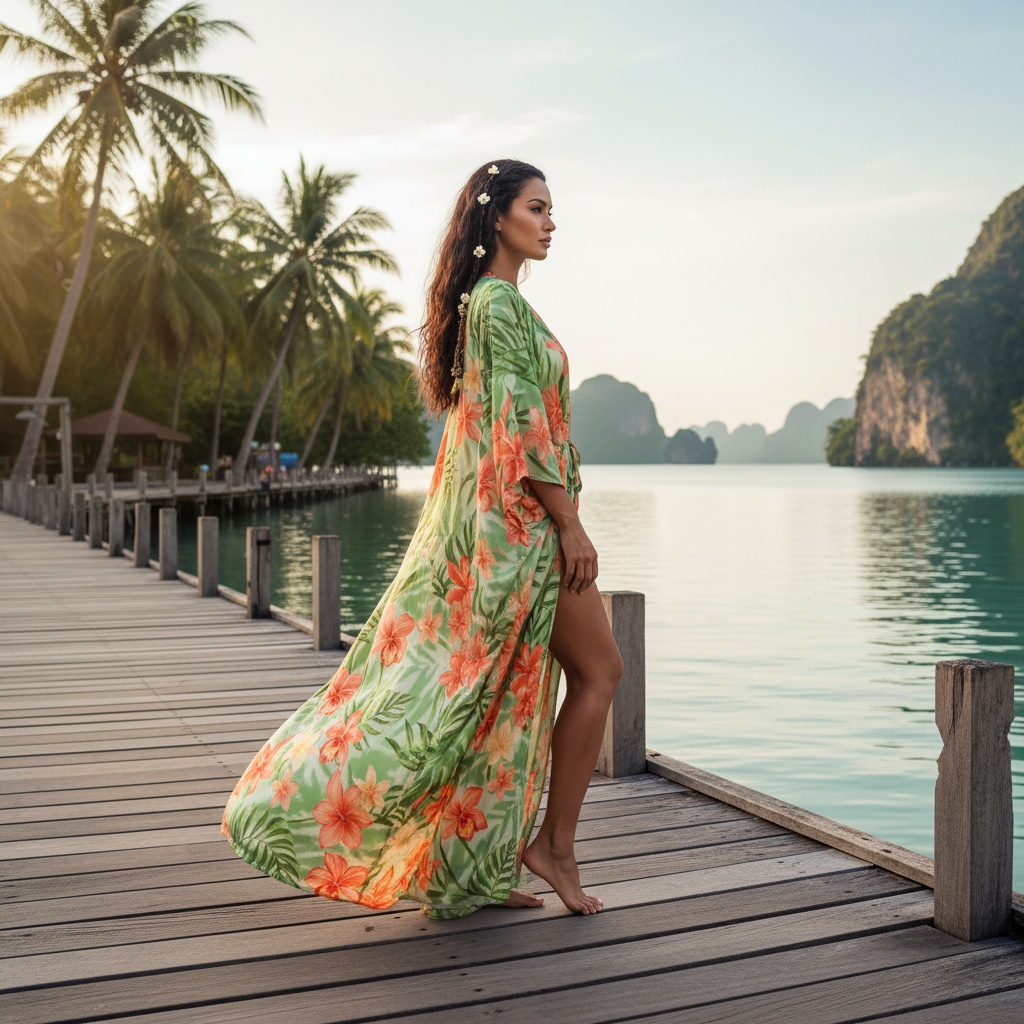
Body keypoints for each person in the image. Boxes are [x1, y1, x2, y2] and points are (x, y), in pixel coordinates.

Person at [222, 158, 623, 919]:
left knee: (488, 694)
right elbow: (521, 430)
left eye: (550, 209)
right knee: (597, 672)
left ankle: (468, 866)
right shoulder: (496, 305)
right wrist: (570, 525)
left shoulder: (492, 303)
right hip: (522, 529)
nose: (550, 222)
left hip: (503, 525)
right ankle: (554, 847)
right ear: (497, 217)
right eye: (537, 207)